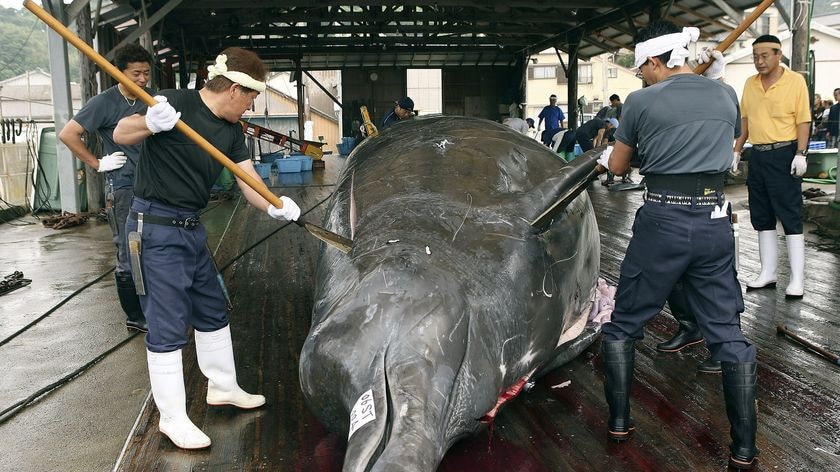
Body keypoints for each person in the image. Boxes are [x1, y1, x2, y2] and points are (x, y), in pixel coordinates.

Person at [113, 47, 302, 450]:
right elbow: (120, 132)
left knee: (212, 308)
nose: (251, 106)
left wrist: (275, 204)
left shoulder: (231, 132)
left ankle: (223, 386)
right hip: (155, 228)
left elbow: (246, 179)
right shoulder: (174, 102)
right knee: (166, 325)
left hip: (191, 228)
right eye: (251, 98)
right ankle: (172, 418)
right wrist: (149, 121)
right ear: (234, 89)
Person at [597, 21, 757, 470]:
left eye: (639, 69)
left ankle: (620, 423)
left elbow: (619, 168)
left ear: (652, 61)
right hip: (713, 220)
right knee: (728, 333)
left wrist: (609, 158)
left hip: (663, 221)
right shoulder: (725, 94)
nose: (639, 77)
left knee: (625, 324)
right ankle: (744, 449)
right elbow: (729, 144)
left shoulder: (641, 101)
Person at [58, 44, 154, 333]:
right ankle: (135, 316)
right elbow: (68, 134)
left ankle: (155, 307)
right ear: (118, 74)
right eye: (135, 73)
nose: (141, 79)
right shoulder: (104, 102)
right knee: (128, 250)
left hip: (151, 185)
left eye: (146, 73)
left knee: (152, 247)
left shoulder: (150, 100)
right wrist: (98, 163)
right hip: (123, 186)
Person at [733, 34, 811, 299]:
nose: (759, 61)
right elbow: (745, 120)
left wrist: (801, 153)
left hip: (785, 153)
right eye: (755, 56)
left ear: (779, 55)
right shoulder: (750, 84)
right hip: (759, 155)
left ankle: (797, 279)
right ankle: (768, 272)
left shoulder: (795, 81)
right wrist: (736, 150)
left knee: (789, 214)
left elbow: (803, 120)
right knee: (761, 215)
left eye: (765, 55)